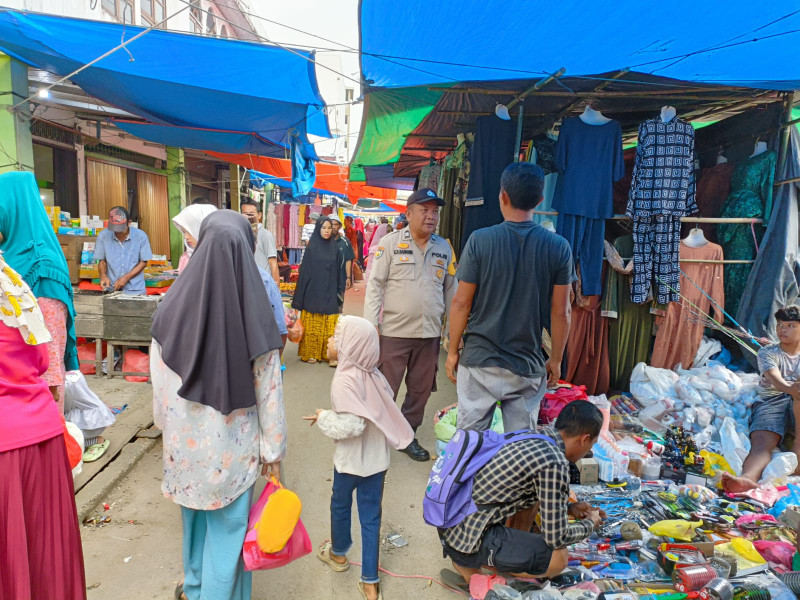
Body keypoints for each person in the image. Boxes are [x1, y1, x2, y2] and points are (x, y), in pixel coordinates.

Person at [150, 210, 286, 600]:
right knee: (228, 534)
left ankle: (194, 589)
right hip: (233, 452)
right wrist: (272, 450)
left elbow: (160, 391)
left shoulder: (168, 311)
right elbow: (269, 391)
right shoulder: (256, 317)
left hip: (183, 453)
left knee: (193, 526)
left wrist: (168, 430)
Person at [446, 163, 575, 432]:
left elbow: (461, 302)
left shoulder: (480, 240)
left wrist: (452, 350)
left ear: (502, 195)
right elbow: (561, 312)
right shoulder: (559, 247)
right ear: (540, 200)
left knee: (470, 445)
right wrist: (556, 359)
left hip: (480, 360)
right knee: (519, 447)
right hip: (526, 364)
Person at [305, 316, 414, 600]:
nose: (331, 342)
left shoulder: (343, 379)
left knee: (340, 506)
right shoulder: (375, 375)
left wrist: (323, 416)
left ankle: (339, 555)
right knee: (371, 517)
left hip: (350, 463)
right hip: (376, 463)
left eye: (336, 338)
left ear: (350, 347)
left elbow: (351, 426)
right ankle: (370, 583)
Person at [438, 401, 604, 584]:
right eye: (592, 444)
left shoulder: (537, 434)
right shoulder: (555, 463)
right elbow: (557, 537)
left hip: (452, 523)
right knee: (559, 557)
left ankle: (491, 560)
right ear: (584, 439)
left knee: (534, 499)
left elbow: (535, 493)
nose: (589, 450)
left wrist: (568, 507)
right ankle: (475, 569)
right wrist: (590, 523)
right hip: (466, 538)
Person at [0, 254, 87, 600]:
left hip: (8, 450)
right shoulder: (12, 282)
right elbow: (40, 359)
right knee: (46, 563)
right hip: (43, 439)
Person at [364, 188, 456, 461]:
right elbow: (375, 286)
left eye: (435, 211)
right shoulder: (391, 244)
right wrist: (371, 328)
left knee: (421, 389)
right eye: (424, 210)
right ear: (409, 213)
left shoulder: (444, 248)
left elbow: (452, 291)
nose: (431, 216)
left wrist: (453, 333)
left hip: (429, 335)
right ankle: (377, 435)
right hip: (394, 333)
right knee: (385, 387)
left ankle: (407, 435)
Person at [0, 171, 80, 411]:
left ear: (11, 210)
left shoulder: (43, 266)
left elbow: (51, 348)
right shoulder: (9, 255)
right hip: (12, 384)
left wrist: (49, 400)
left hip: (36, 394)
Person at [723, 306, 800, 492]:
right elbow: (775, 378)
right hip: (773, 399)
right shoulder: (768, 352)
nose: (783, 330)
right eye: (780, 325)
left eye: (790, 326)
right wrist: (791, 389)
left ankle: (796, 458)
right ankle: (747, 478)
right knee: (763, 441)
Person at [292, 217, 345, 365]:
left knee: (330, 326)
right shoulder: (311, 248)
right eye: (324, 228)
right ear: (318, 229)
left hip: (329, 291)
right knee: (313, 326)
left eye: (329, 228)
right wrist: (298, 300)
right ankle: (311, 353)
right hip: (313, 293)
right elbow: (304, 274)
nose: (327, 231)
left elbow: (339, 272)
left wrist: (340, 290)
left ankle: (328, 354)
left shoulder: (335, 248)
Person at [95, 206, 153, 296]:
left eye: (120, 229)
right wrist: (103, 275)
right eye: (114, 228)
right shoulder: (103, 236)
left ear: (129, 223)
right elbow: (101, 260)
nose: (116, 232)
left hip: (135, 289)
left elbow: (144, 262)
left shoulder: (141, 236)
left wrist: (126, 278)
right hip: (111, 289)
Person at [240, 199, 279, 283]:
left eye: (251, 214)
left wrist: (276, 289)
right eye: (245, 214)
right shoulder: (239, 234)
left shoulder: (266, 235)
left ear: (259, 215)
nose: (248, 217)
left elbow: (273, 264)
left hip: (262, 284)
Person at [172, 203, 218, 273]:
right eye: (184, 232)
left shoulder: (218, 258)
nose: (186, 237)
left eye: (190, 232)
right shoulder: (185, 258)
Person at [330, 215, 355, 308]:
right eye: (331, 224)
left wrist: (348, 277)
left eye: (335, 224)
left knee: (338, 309)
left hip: (340, 280)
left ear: (339, 226)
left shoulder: (345, 242)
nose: (333, 227)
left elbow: (348, 260)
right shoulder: (322, 241)